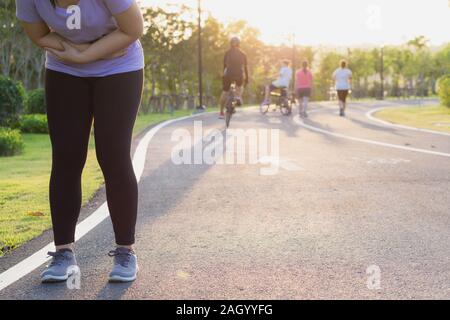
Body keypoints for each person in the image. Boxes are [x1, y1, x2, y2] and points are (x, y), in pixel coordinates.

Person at [16, 0, 145, 283]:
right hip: (65, 70)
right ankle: (63, 252)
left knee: (113, 154)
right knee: (66, 157)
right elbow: (38, 35)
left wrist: (85, 55)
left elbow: (134, 28)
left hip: (119, 67)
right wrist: (74, 56)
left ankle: (126, 250)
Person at [219, 37, 248, 119]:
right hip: (239, 75)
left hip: (228, 74)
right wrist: (247, 79)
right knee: (240, 87)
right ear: (239, 44)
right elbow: (245, 68)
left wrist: (223, 75)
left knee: (224, 92)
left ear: (230, 43)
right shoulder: (243, 54)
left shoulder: (227, 53)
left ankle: (221, 112)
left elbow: (224, 66)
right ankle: (238, 96)